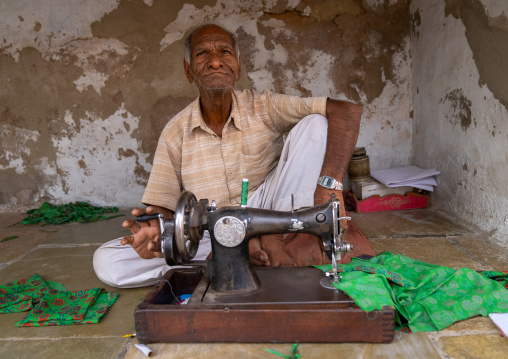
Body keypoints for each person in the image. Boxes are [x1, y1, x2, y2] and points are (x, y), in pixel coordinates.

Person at [93, 24, 361, 288]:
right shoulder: (175, 132)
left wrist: (331, 185)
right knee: (108, 261)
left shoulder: (264, 106)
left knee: (316, 123)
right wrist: (155, 234)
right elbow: (162, 208)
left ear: (238, 66)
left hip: (269, 210)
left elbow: (346, 111)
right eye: (201, 54)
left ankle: (263, 242)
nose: (215, 62)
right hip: (210, 230)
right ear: (189, 71)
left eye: (224, 52)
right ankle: (233, 255)